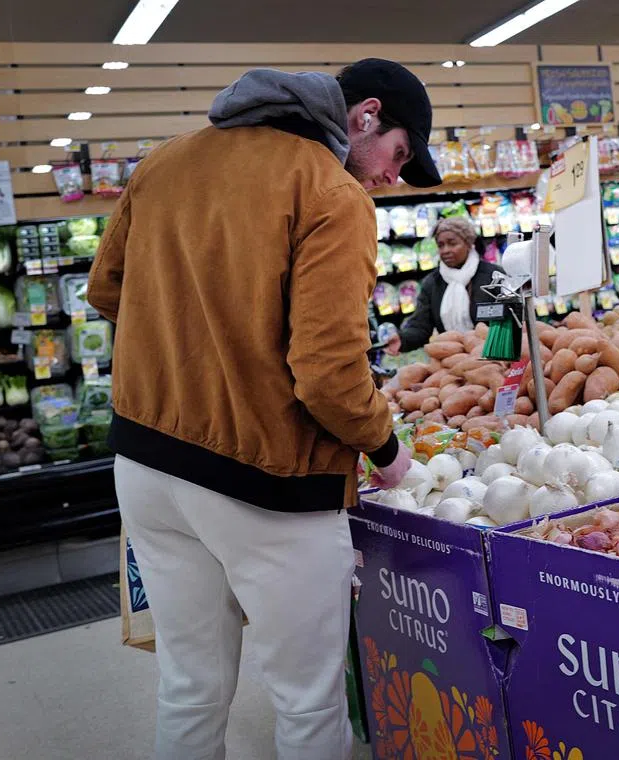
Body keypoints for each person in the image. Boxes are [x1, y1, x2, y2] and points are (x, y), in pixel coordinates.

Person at [86, 59, 440, 760]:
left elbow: (106, 291)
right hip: (266, 481)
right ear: (365, 115)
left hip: (147, 466)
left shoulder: (165, 162)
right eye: (398, 154)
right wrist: (387, 448)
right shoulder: (329, 193)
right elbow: (328, 375)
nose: (391, 176)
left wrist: (196, 347)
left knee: (189, 683)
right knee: (306, 700)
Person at [385, 216, 504, 354]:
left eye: (452, 243)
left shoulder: (493, 276)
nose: (445, 250)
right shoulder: (433, 283)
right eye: (440, 245)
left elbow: (512, 318)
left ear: (469, 243)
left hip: (493, 354)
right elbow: (421, 326)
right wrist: (403, 340)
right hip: (450, 355)